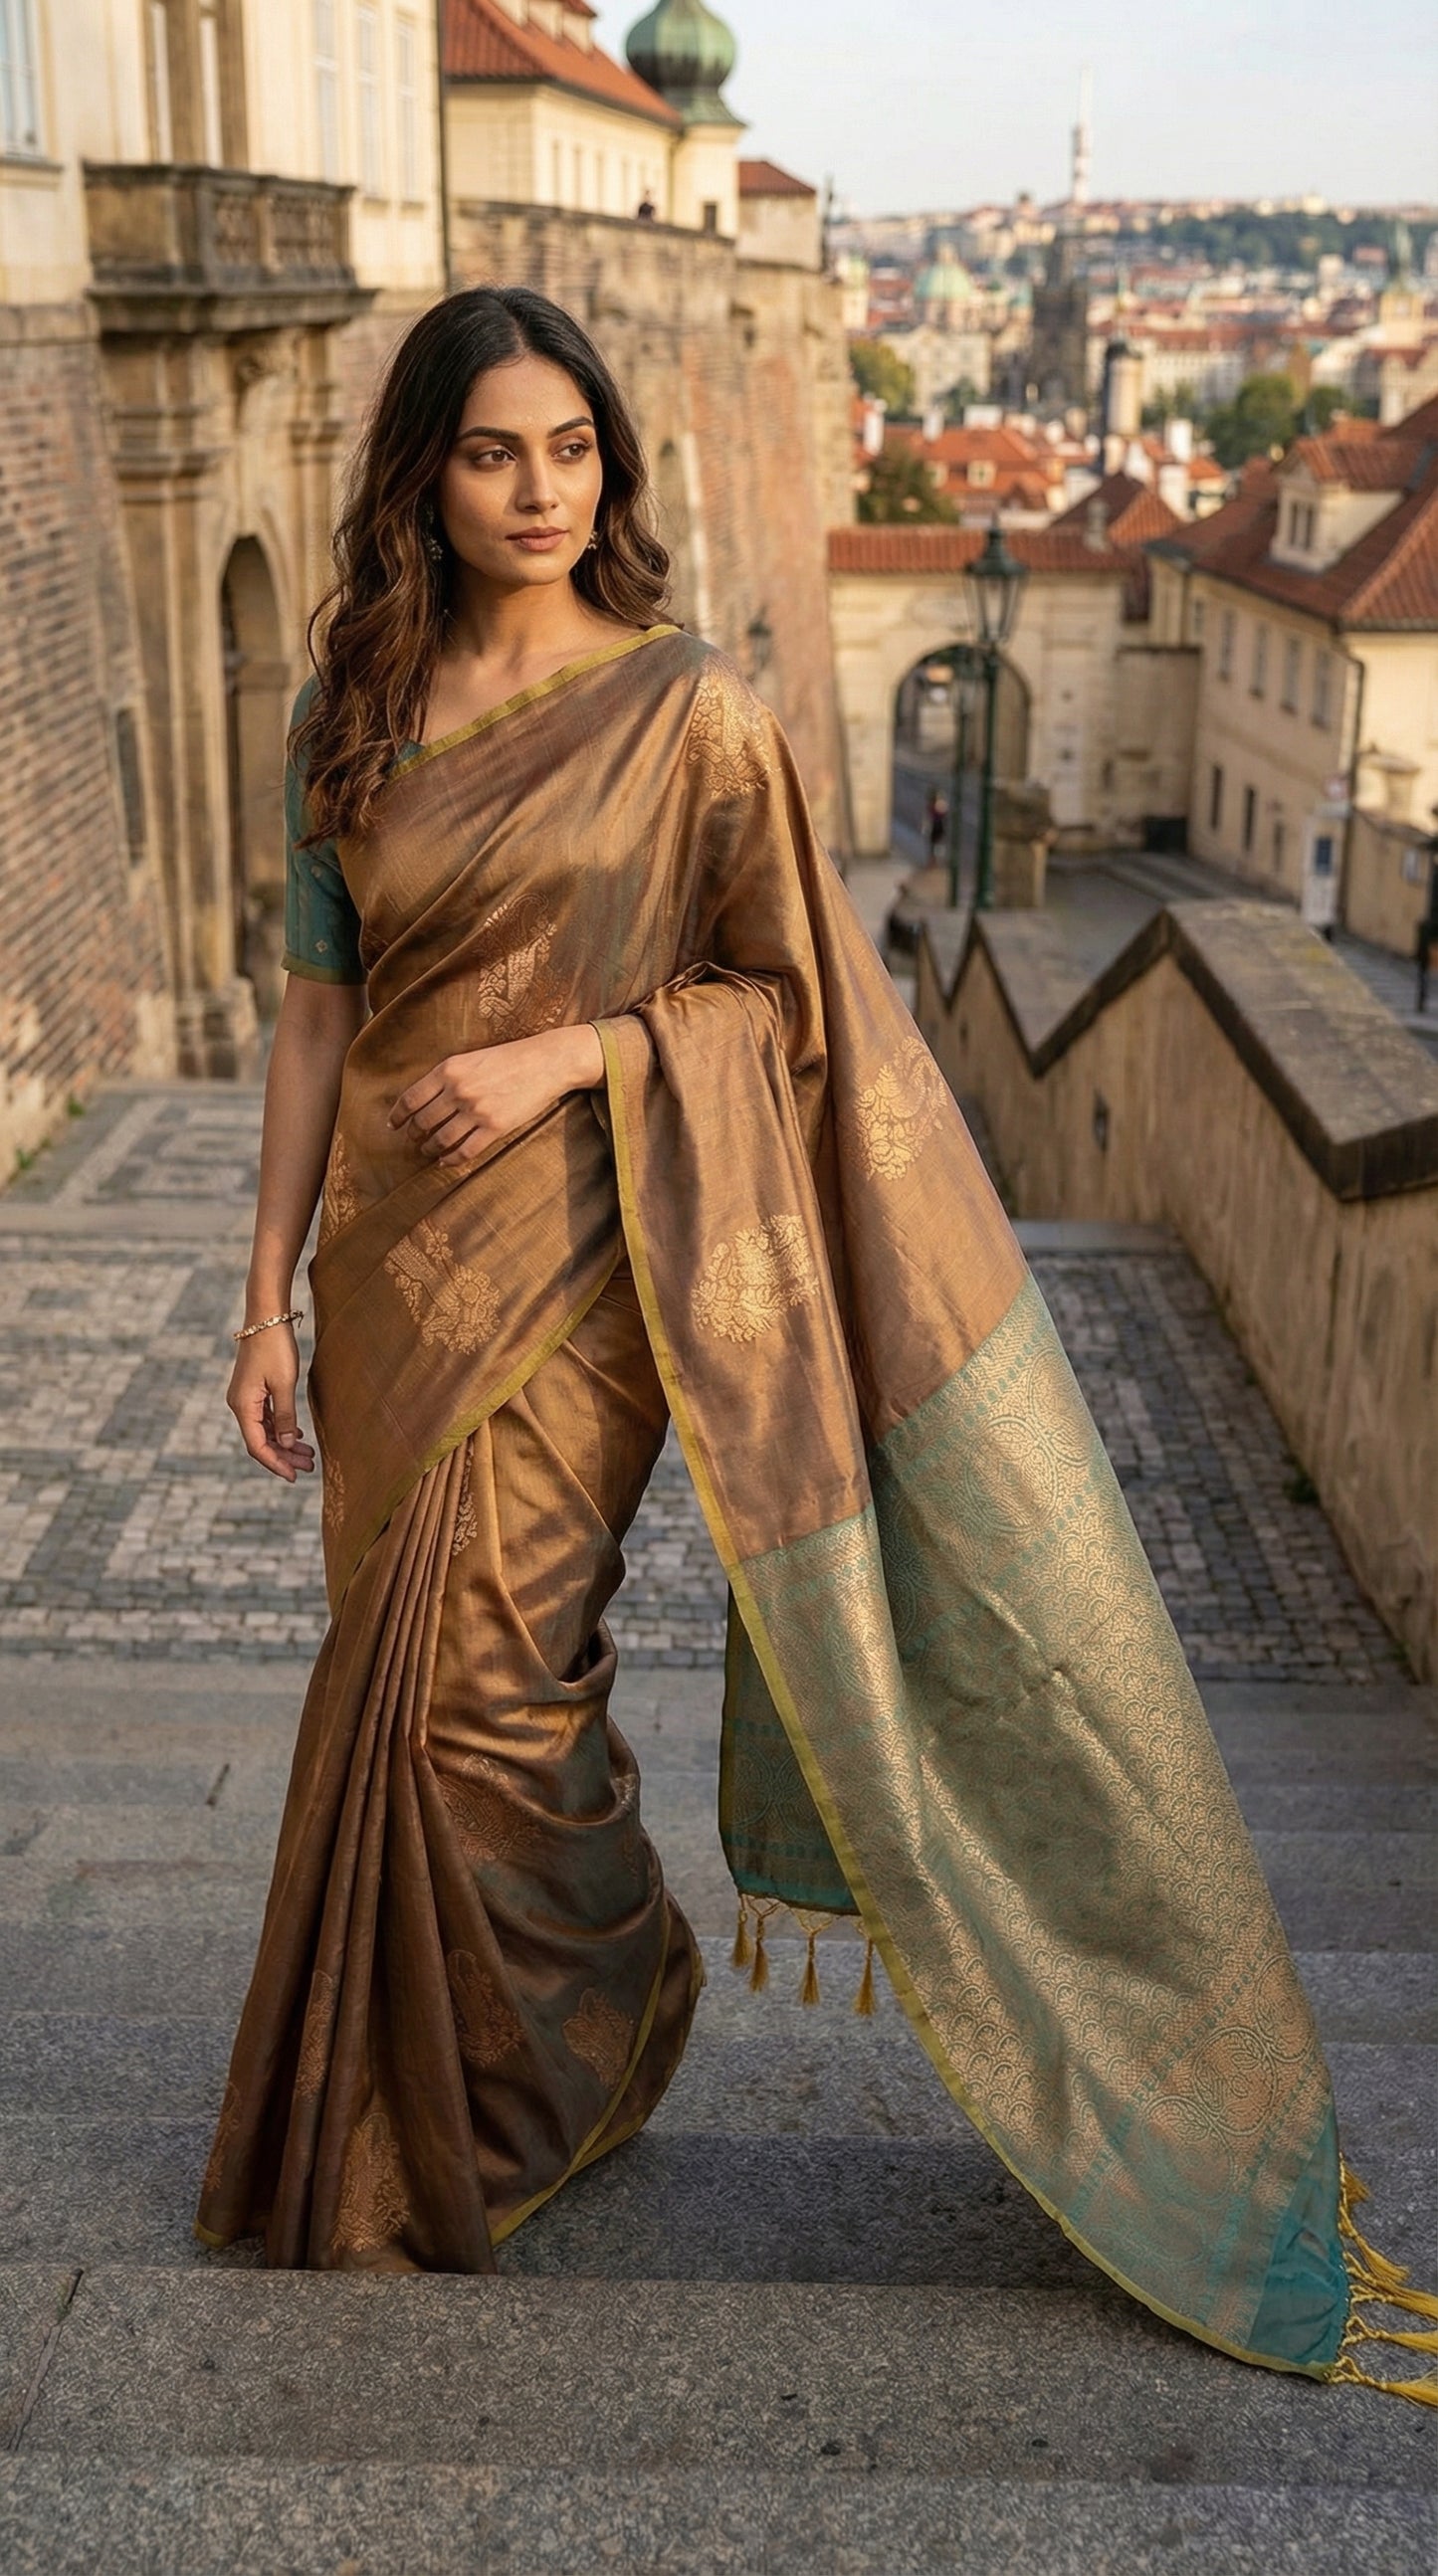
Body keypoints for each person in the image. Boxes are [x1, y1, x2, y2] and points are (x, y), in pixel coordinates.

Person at [196, 288, 1433, 2404]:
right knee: (392, 1678)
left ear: (610, 469)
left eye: (569, 449)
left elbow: (791, 1008)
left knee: (488, 1680)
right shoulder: (358, 699)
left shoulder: (693, 718)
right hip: (385, 1274)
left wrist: (570, 1057)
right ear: (422, 471)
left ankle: (579, 2016)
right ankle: (518, 2044)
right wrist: (257, 1291)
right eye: (493, 452)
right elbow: (316, 1014)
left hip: (588, 1258)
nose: (535, 489)